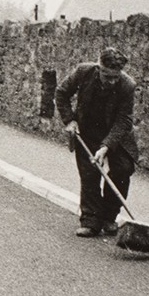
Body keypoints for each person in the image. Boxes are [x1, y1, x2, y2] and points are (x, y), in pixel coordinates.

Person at [55, 46, 138, 237]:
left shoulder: (127, 85)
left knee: (123, 169)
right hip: (88, 130)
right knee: (90, 173)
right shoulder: (83, 72)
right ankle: (91, 221)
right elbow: (61, 92)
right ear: (99, 67)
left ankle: (109, 217)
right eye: (107, 76)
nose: (112, 81)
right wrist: (70, 120)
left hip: (117, 134)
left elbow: (124, 120)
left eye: (115, 77)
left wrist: (106, 146)